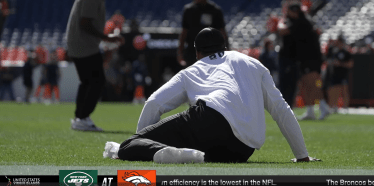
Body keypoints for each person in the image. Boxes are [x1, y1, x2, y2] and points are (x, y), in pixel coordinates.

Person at [103, 28, 320, 164]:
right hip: (241, 150)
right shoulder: (252, 63)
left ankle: (162, 153)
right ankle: (184, 155)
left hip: (209, 119)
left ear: (197, 53)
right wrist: (302, 156)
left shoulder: (191, 70)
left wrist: (144, 143)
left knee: (127, 146)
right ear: (224, 47)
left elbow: (154, 103)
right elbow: (281, 109)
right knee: (205, 155)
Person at [65, 0, 124, 131]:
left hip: (80, 45)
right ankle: (82, 118)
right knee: (97, 81)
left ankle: (80, 118)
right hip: (84, 46)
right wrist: (108, 38)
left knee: (87, 82)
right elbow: (85, 24)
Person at [278, 1, 330, 120]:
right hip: (304, 58)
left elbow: (282, 30)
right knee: (305, 84)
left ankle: (323, 106)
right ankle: (310, 110)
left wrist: (280, 21)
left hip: (310, 57)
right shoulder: (303, 20)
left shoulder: (301, 22)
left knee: (312, 83)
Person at [177, 0, 228, 67]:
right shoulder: (189, 10)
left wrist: (226, 51)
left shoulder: (215, 10)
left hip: (211, 52)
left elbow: (222, 32)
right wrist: (180, 52)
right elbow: (184, 32)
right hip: (192, 51)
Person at [327, 35, 353, 113]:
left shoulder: (346, 52)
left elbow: (350, 64)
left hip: (343, 74)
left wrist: (340, 64)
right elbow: (328, 60)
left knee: (344, 90)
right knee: (334, 90)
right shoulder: (334, 52)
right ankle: (334, 106)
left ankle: (345, 107)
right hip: (335, 74)